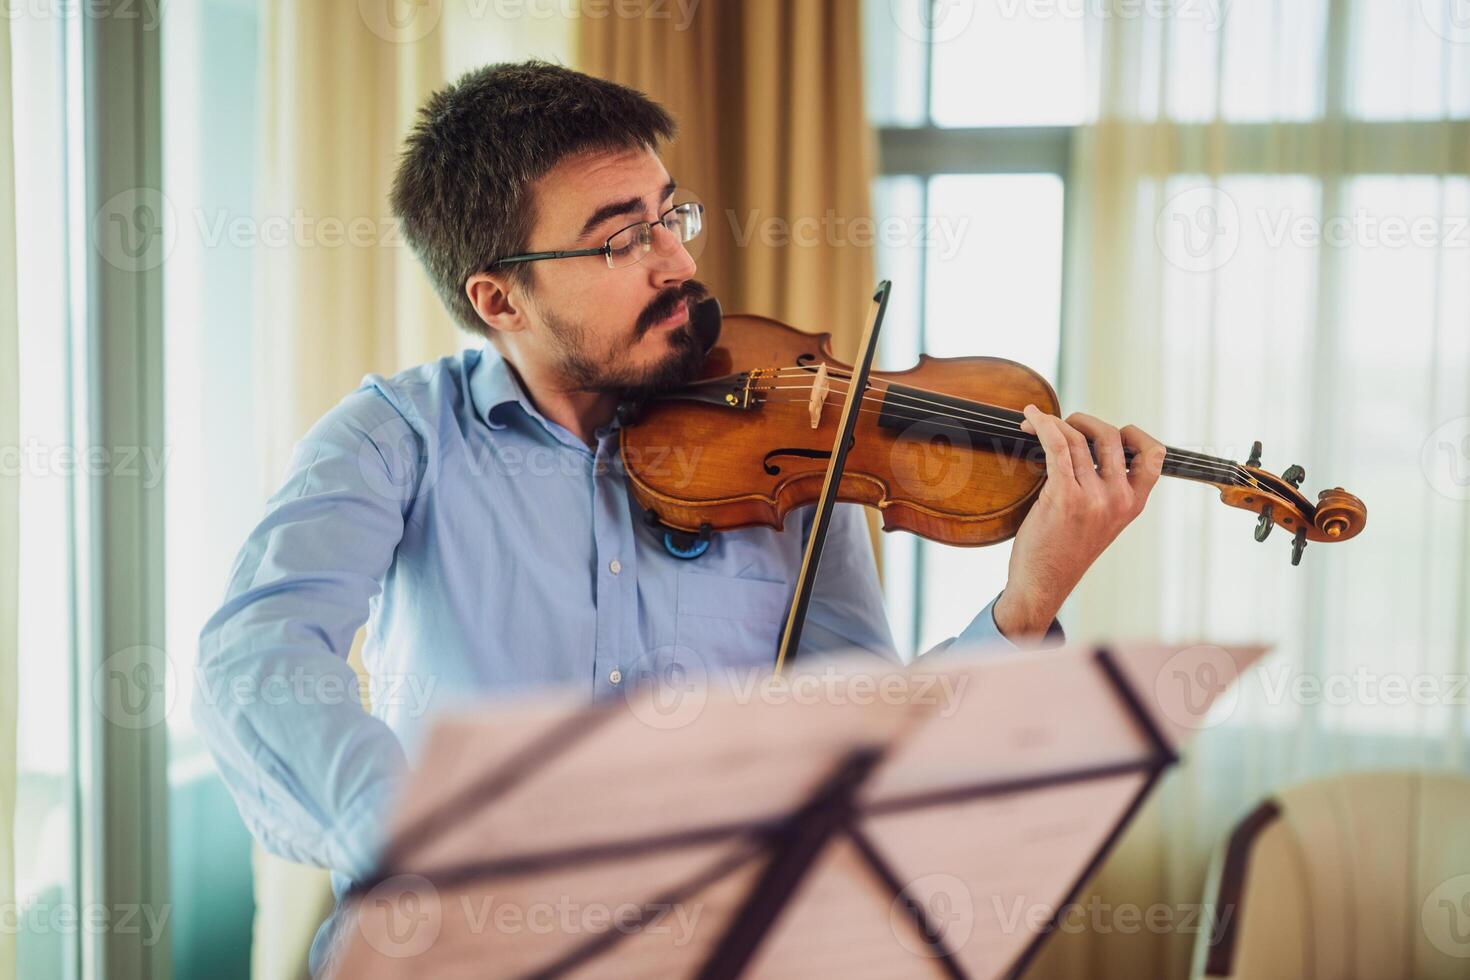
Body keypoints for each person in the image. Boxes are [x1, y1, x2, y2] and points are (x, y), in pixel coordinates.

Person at [193, 60, 1167, 973]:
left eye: (672, 214)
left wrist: (1027, 605)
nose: (679, 260)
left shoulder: (788, 445)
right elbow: (257, 658)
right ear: (499, 297)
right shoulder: (395, 439)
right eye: (624, 238)